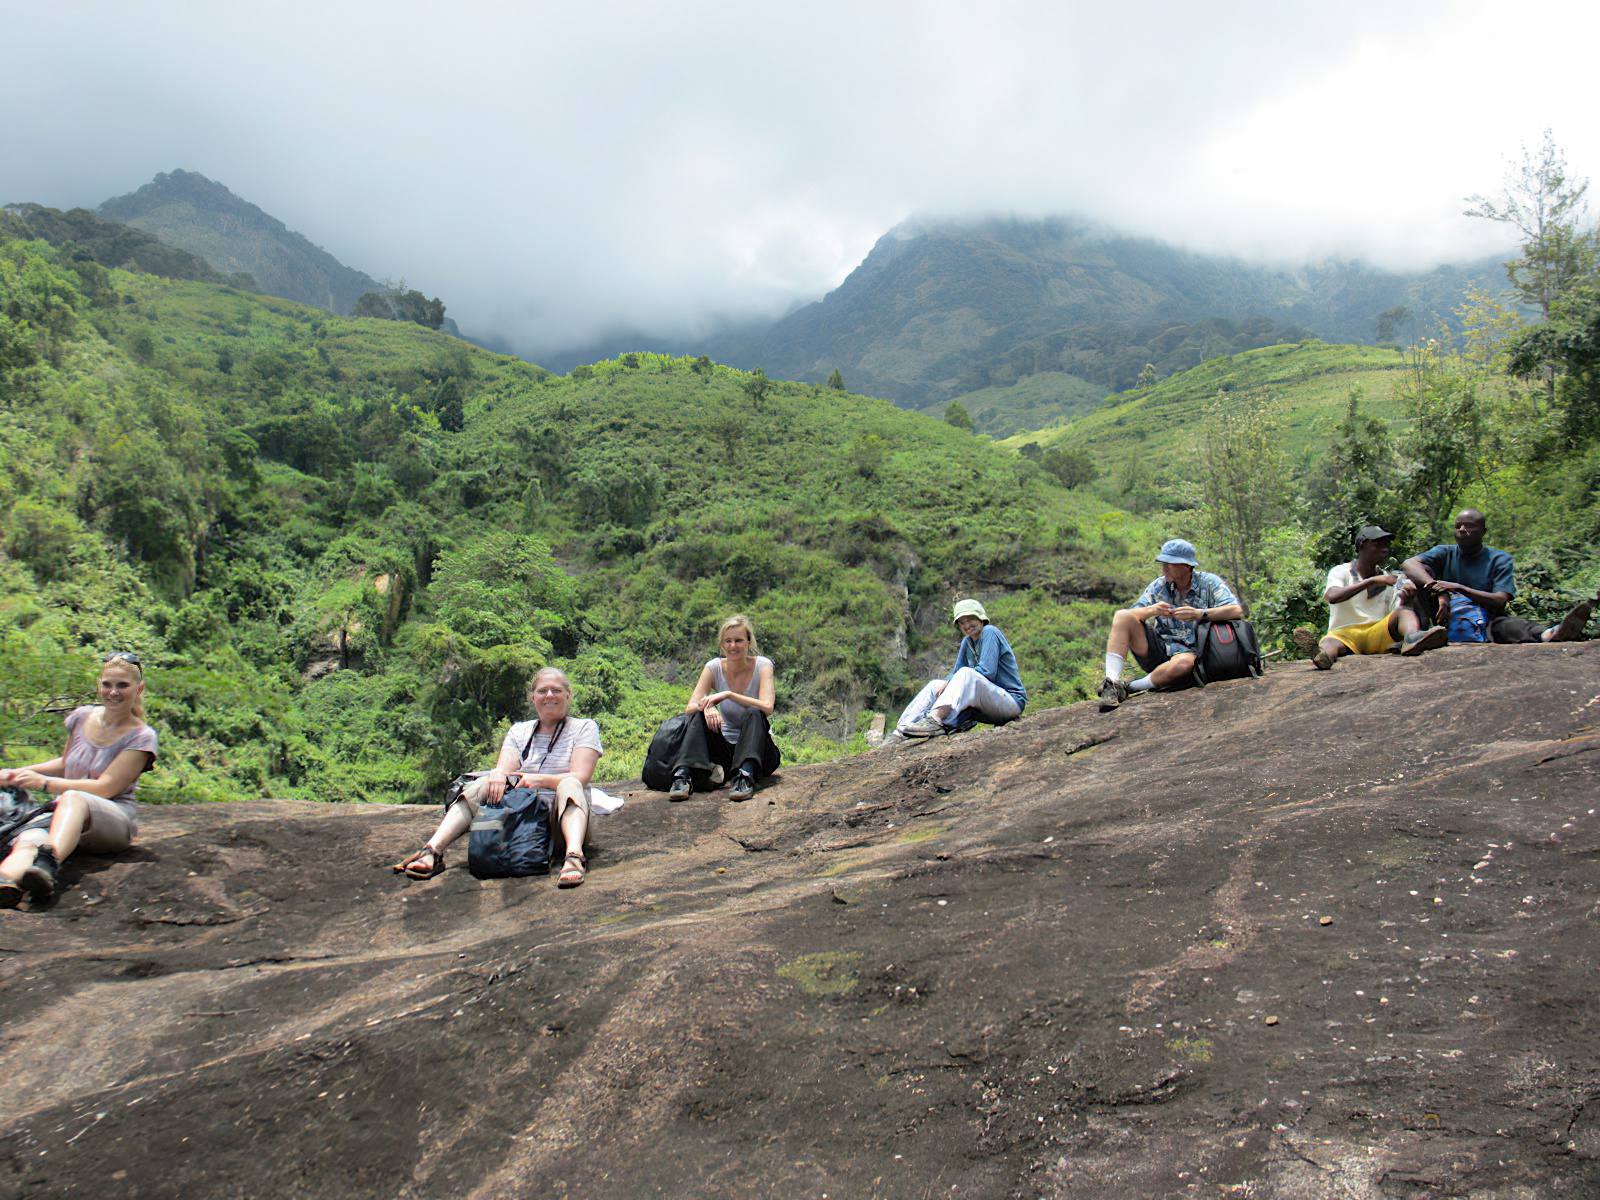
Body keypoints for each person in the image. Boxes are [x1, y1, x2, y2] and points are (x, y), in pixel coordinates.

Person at [392, 667, 601, 887]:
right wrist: (498, 775)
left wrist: (537, 780)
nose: (549, 695)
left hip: (560, 823)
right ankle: (432, 851)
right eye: (543, 691)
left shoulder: (584, 727)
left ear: (568, 695)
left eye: (556, 690)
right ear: (533, 698)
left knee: (570, 783)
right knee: (484, 783)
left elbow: (581, 776)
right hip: (520, 822)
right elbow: (504, 770)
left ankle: (574, 857)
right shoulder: (519, 731)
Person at [0, 652, 158, 905]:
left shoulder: (142, 737)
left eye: (122, 685)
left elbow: (106, 788)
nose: (113, 692)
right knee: (27, 842)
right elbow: (65, 764)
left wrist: (43, 783)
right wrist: (17, 774)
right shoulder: (82, 717)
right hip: (65, 816)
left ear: (139, 689)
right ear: (98, 685)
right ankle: (7, 883)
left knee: (73, 799)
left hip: (111, 819)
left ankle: (48, 862)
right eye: (107, 684)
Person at [1401, 509, 1594, 645]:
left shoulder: (1499, 559)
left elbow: (1500, 600)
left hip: (1487, 620)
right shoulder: (1444, 552)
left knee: (1510, 627)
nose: (1462, 529)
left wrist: (1458, 588)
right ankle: (1417, 635)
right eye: (1458, 526)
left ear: (1483, 531)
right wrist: (1437, 590)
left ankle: (1552, 633)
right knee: (1413, 579)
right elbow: (1409, 564)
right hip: (1444, 617)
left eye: (1469, 526)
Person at [1097, 539, 1244, 711]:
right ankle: (1111, 683)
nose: (1164, 568)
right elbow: (1131, 614)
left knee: (1183, 664)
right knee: (1122, 616)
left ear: (1187, 566)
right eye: (1163, 563)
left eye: (1170, 563)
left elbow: (1237, 611)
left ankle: (1128, 687)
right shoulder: (1159, 586)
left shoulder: (1209, 583)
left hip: (1191, 656)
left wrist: (1199, 614)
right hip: (1158, 650)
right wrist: (1152, 611)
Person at [1292, 525, 1445, 669]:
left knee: (1405, 612)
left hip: (1377, 633)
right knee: (1330, 644)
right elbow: (1332, 596)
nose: (1384, 548)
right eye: (1377, 543)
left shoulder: (1392, 580)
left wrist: (1407, 600)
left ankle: (1412, 638)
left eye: (1386, 544)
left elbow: (1396, 613)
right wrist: (1371, 581)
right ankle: (1323, 657)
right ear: (1361, 546)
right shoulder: (1341, 571)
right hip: (1343, 634)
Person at [665, 615, 780, 802]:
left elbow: (767, 707)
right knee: (697, 716)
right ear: (722, 644)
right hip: (724, 752)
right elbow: (690, 707)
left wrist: (727, 694)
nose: (733, 646)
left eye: (738, 640)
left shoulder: (763, 665)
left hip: (758, 751)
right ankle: (682, 776)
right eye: (728, 641)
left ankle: (745, 776)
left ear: (748, 642)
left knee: (755, 712)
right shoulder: (713, 667)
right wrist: (706, 707)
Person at [895, 599, 1027, 738]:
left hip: (1010, 702)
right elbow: (956, 671)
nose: (967, 625)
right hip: (984, 707)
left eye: (970, 620)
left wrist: (955, 681)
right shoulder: (967, 641)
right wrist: (947, 683)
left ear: (981, 618)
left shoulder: (990, 632)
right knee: (936, 685)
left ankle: (936, 719)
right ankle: (901, 731)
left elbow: (987, 672)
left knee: (965, 674)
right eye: (962, 623)